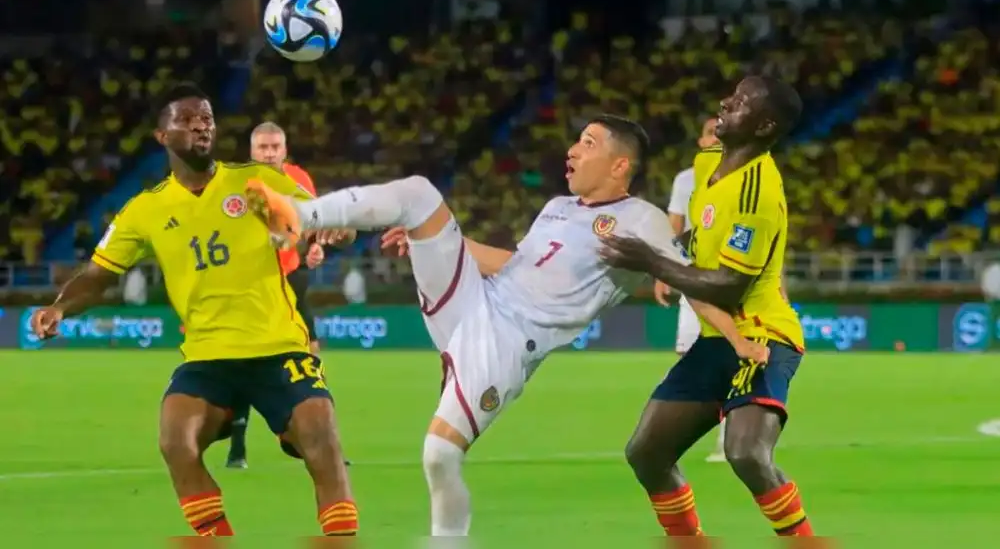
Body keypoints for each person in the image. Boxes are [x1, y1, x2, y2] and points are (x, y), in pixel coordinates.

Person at [247, 113, 768, 536]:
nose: (573, 150)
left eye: (588, 143)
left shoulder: (643, 220)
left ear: (619, 165)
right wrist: (434, 243)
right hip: (476, 297)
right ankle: (298, 213)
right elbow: (514, 265)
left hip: (509, 342)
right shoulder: (558, 206)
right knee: (419, 196)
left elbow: (686, 280)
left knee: (439, 454)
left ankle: (447, 538)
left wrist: (739, 339)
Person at [29, 83, 358, 537]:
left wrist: (337, 231)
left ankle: (340, 536)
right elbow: (98, 275)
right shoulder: (145, 210)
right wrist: (60, 308)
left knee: (323, 439)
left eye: (207, 117)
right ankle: (215, 539)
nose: (202, 125)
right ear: (161, 137)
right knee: (175, 441)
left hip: (279, 346)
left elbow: (323, 218)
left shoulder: (253, 184)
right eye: (187, 119)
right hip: (208, 355)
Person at [599, 76, 813, 537]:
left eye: (739, 103)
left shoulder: (759, 191)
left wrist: (653, 260)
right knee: (647, 452)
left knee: (746, 453)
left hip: (762, 336)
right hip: (716, 339)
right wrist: (669, 252)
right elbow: (702, 238)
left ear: (764, 126)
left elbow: (730, 285)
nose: (724, 103)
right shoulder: (708, 164)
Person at [225, 121, 337, 470]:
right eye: (263, 147)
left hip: (290, 278)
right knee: (243, 361)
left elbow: (315, 220)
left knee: (311, 356)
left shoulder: (298, 178)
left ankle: (319, 443)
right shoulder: (235, 184)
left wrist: (316, 246)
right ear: (252, 151)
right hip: (251, 283)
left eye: (275, 146)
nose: (270, 152)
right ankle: (238, 447)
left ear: (285, 148)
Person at [656, 117, 728, 463]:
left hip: (730, 280)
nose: (716, 136)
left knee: (733, 357)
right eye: (710, 131)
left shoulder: (743, 179)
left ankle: (730, 441)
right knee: (688, 356)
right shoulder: (685, 181)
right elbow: (674, 228)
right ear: (700, 141)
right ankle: (679, 435)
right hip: (692, 280)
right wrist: (663, 272)